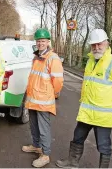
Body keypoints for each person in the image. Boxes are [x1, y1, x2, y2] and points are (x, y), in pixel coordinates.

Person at [56, 29, 112, 168]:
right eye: (93, 45)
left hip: (103, 114)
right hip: (87, 112)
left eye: (99, 44)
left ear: (107, 43)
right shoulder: (90, 60)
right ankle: (72, 162)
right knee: (77, 137)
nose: (96, 47)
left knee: (103, 145)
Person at [22, 28, 64, 168]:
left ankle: (45, 155)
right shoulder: (37, 57)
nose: (40, 43)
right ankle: (36, 146)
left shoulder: (53, 58)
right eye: (38, 41)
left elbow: (58, 81)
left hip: (44, 101)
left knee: (44, 128)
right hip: (33, 99)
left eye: (43, 41)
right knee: (33, 125)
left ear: (48, 42)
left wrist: (54, 93)